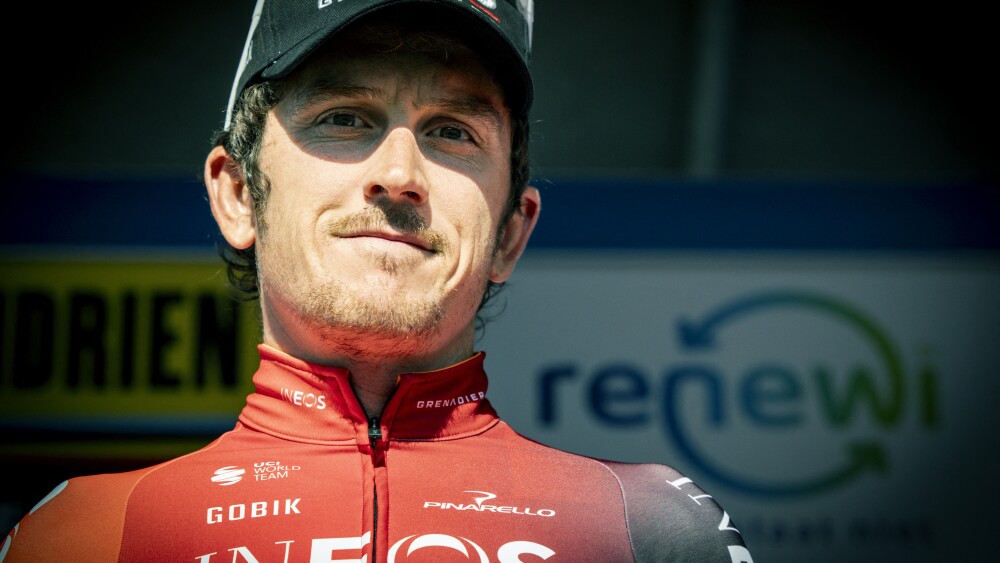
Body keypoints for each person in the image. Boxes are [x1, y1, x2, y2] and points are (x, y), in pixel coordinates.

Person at [1, 1, 753, 561]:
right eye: (344, 117)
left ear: (510, 232)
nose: (398, 174)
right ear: (238, 194)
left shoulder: (653, 529)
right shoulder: (81, 536)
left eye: (452, 130)